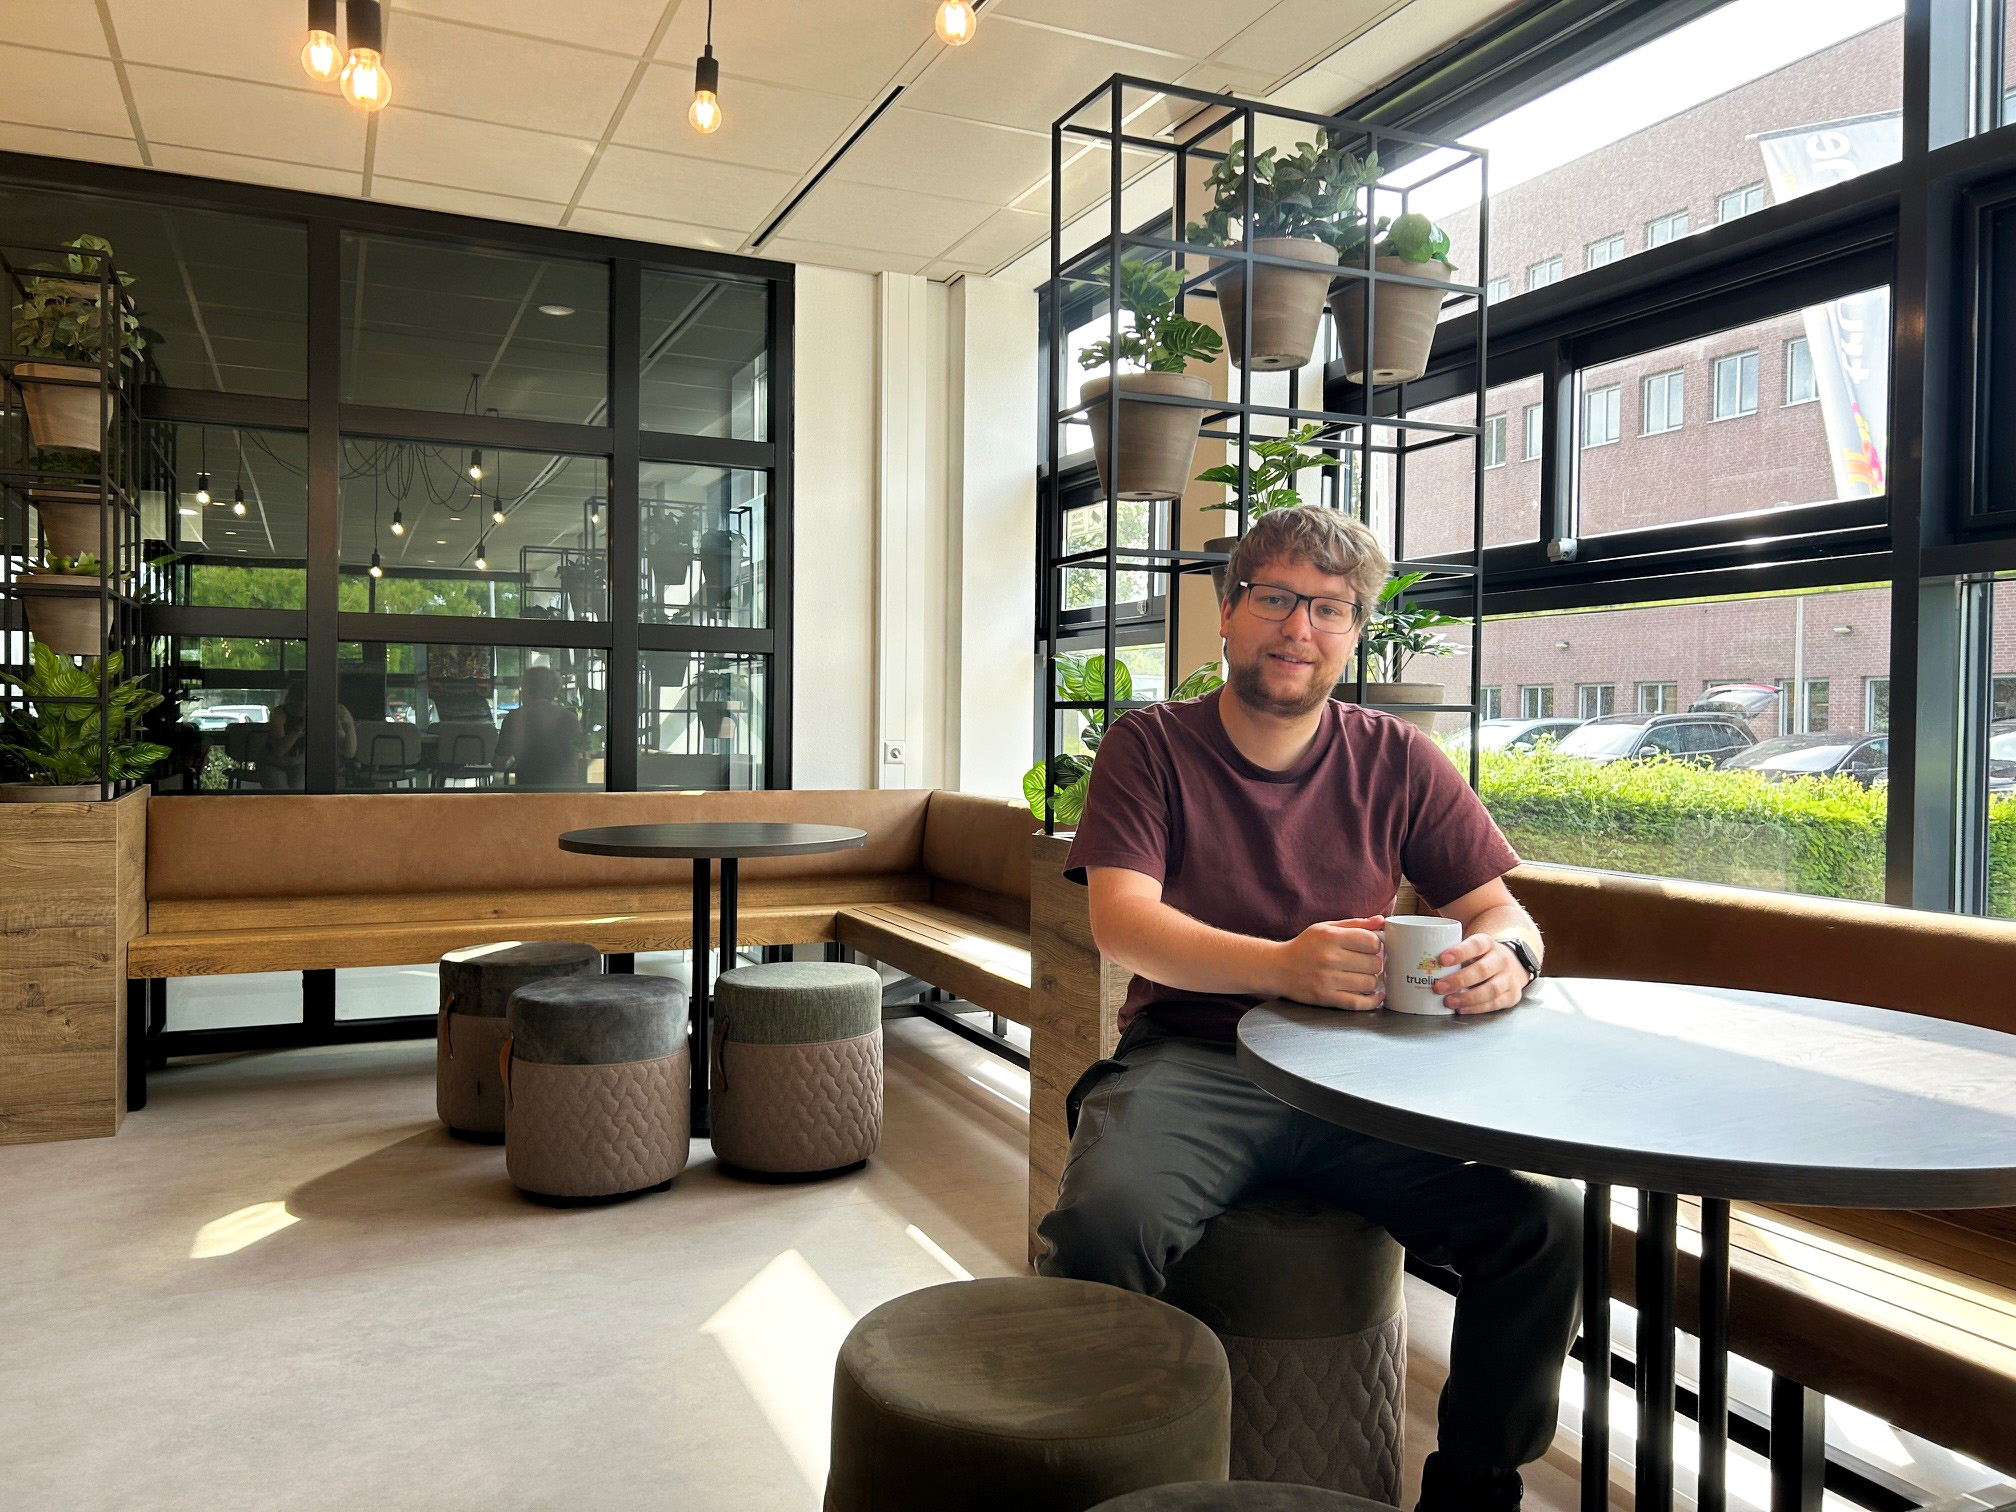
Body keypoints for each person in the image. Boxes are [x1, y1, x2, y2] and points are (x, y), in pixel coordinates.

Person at [1035, 505, 1579, 1512]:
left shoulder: (1398, 759)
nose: (1300, 629)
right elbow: (1123, 924)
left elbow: (1501, 909)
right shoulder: (1150, 746)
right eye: (1277, 599)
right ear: (1228, 611)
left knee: (1543, 1223)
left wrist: (1509, 957)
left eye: (1331, 609)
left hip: (1361, 1079)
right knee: (1105, 1223)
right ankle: (1105, 1487)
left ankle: (1472, 1494)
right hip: (1195, 1060)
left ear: (1356, 630)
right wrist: (1281, 966)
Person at [254, 677, 356, 790]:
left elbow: (348, 752)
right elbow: (279, 750)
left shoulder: (323, 716)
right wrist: (301, 727)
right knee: (281, 793)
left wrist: (349, 726)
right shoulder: (280, 713)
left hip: (299, 763)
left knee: (301, 793)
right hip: (273, 763)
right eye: (302, 699)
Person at [495, 664, 580, 787]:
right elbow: (575, 756)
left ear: (527, 688)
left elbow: (499, 764)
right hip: (567, 791)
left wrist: (512, 759)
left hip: (530, 790)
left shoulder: (515, 718)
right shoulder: (570, 718)